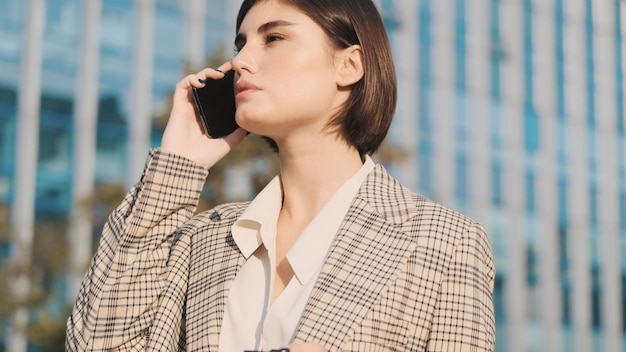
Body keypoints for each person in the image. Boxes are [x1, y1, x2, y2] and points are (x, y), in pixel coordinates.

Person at [66, 0, 495, 351]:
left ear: (349, 65)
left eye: (274, 38)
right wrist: (178, 164)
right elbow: (95, 344)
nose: (240, 61)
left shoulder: (444, 242)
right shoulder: (202, 239)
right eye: (241, 43)